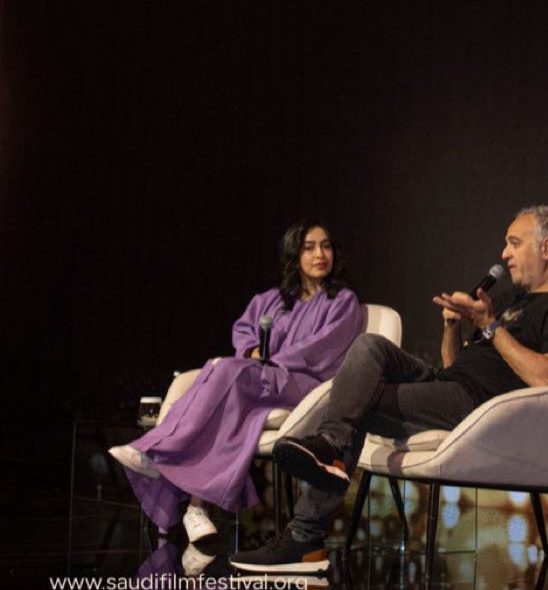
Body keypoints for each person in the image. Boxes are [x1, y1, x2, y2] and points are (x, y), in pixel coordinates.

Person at [230, 205, 548, 573]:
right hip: (449, 385)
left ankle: (304, 533)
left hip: (480, 406)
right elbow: (453, 365)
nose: (504, 254)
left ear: (547, 248)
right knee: (370, 346)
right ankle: (330, 448)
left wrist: (490, 325)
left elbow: (547, 377)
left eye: (514, 243)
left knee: (356, 403)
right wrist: (453, 326)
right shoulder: (510, 301)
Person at [109, 220, 365, 542]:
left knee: (227, 369)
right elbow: (244, 330)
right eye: (309, 247)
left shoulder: (343, 301)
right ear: (293, 254)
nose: (320, 254)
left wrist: (268, 360)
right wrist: (252, 351)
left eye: (325, 246)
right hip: (262, 381)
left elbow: (323, 349)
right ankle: (197, 509)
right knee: (234, 407)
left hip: (303, 385)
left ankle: (157, 451)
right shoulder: (272, 299)